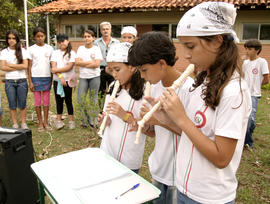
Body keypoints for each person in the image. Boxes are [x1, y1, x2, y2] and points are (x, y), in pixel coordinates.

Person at [131, 2, 252, 203]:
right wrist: (167, 120)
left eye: (191, 46)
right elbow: (192, 135)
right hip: (185, 188)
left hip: (210, 196)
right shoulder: (201, 83)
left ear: (216, 42)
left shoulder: (233, 92)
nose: (186, 55)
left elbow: (222, 158)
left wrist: (182, 119)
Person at [128, 31, 194, 204]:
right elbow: (154, 133)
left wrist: (160, 121)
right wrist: (144, 126)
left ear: (162, 63)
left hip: (179, 175)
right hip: (159, 169)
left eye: (144, 70)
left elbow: (193, 136)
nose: (142, 76)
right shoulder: (155, 86)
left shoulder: (189, 90)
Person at [99, 42, 146, 173]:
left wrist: (124, 115)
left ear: (132, 67)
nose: (114, 74)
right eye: (111, 70)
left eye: (117, 69)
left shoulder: (145, 91)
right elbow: (108, 116)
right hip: (108, 149)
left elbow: (147, 128)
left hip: (129, 155)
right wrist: (105, 120)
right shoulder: (113, 86)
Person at [242, 39, 269, 149]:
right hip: (243, 93)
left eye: (250, 49)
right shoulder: (245, 63)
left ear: (257, 50)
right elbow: (241, 76)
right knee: (244, 118)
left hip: (253, 95)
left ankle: (248, 138)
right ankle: (246, 142)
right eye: (246, 49)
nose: (247, 51)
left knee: (251, 120)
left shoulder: (262, 62)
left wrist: (256, 86)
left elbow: (266, 79)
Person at [0, 29, 29, 129]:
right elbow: (3, 67)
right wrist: (18, 66)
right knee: (12, 103)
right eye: (9, 38)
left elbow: (25, 66)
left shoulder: (23, 51)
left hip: (21, 80)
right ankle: (15, 123)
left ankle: (23, 122)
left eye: (13, 38)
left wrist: (11, 65)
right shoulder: (4, 52)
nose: (11, 40)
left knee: (22, 103)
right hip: (9, 81)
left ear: (17, 39)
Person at [28, 27, 54, 132]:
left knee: (46, 102)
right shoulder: (31, 49)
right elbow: (29, 67)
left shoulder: (50, 48)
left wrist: (52, 80)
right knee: (38, 102)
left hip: (47, 77)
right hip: (35, 78)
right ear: (34, 37)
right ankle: (40, 122)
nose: (40, 38)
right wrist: (30, 81)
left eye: (42, 36)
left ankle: (46, 122)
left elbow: (52, 65)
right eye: (37, 36)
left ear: (45, 36)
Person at [75, 30, 103, 128]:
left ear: (93, 38)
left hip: (94, 77)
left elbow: (97, 64)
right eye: (85, 36)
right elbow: (77, 63)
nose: (87, 38)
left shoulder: (96, 49)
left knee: (93, 99)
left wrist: (84, 63)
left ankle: (94, 121)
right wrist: (90, 63)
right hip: (83, 77)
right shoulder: (80, 49)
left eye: (89, 36)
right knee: (80, 99)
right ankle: (84, 121)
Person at [51, 34, 76, 130]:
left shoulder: (72, 53)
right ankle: (59, 121)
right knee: (58, 101)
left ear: (68, 41)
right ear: (57, 43)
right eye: (60, 41)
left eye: (64, 41)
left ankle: (71, 121)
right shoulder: (55, 53)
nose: (62, 43)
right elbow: (53, 67)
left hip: (69, 81)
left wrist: (56, 70)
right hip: (58, 81)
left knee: (68, 100)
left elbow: (69, 67)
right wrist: (60, 76)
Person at [94, 22, 119, 96]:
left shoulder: (116, 42)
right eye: (103, 29)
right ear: (101, 31)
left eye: (107, 29)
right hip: (101, 69)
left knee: (114, 89)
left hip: (112, 69)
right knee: (101, 91)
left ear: (110, 30)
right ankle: (102, 107)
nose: (105, 31)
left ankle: (112, 106)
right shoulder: (96, 43)